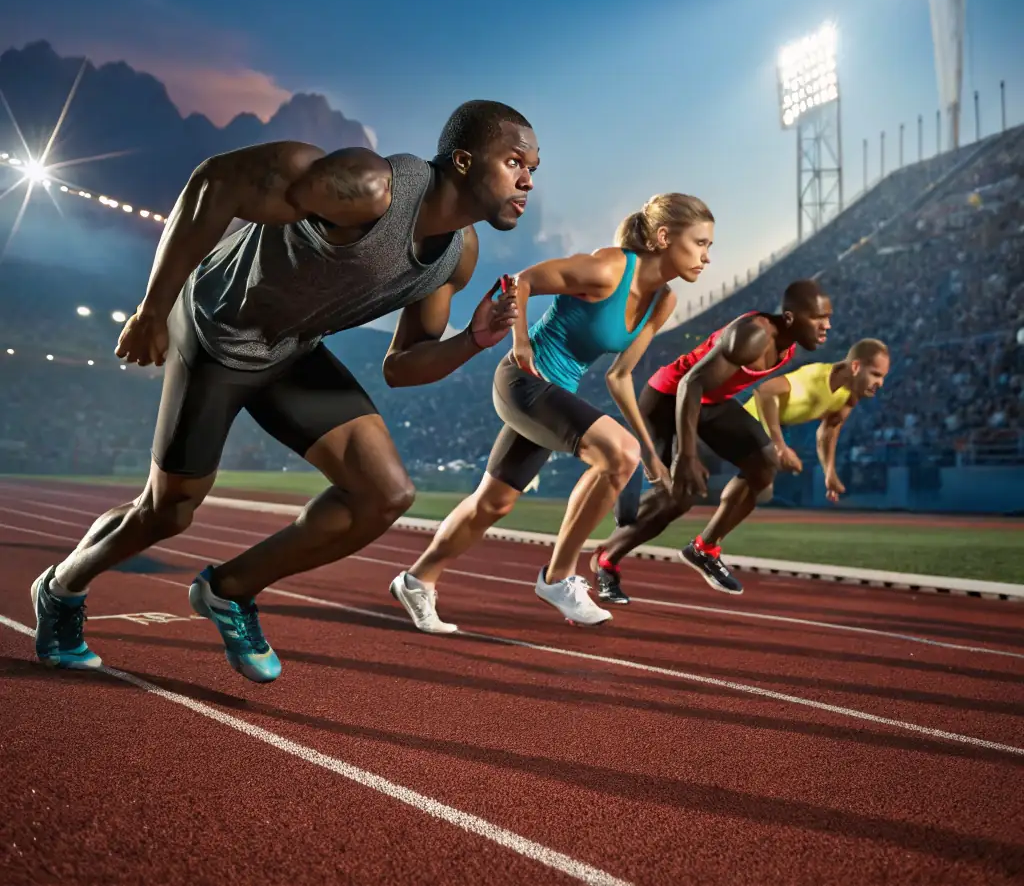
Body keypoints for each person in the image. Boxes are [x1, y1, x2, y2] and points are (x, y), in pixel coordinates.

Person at [32, 100, 539, 680]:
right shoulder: (371, 188)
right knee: (167, 512)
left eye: (534, 168)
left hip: (292, 346)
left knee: (384, 494)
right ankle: (61, 588)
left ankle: (229, 591)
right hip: (218, 330)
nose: (527, 179)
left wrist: (471, 340)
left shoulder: (456, 256)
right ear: (465, 161)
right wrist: (152, 309)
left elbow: (402, 367)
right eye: (515, 161)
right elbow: (213, 183)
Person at [389, 193, 714, 632]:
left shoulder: (663, 302)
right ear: (662, 237)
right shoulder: (606, 270)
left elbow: (619, 377)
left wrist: (654, 458)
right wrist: (520, 341)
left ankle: (416, 579)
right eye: (700, 243)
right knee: (618, 453)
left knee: (494, 502)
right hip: (523, 380)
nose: (707, 257)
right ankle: (559, 578)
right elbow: (519, 281)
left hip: (556, 393)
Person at [593, 279, 832, 600]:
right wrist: (686, 456)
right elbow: (689, 384)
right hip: (667, 397)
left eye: (827, 317)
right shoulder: (754, 335)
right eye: (819, 318)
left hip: (710, 401)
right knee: (677, 495)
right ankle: (607, 560)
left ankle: (704, 548)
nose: (826, 325)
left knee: (763, 466)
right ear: (790, 317)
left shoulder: (788, 343)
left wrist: (775, 440)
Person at [744, 339, 891, 503]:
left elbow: (829, 429)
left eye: (883, 377)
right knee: (762, 490)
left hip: (773, 428)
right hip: (745, 422)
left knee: (761, 490)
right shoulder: (814, 379)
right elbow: (764, 392)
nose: (880, 383)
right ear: (856, 367)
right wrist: (779, 446)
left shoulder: (849, 396)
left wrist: (829, 472)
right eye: (876, 374)